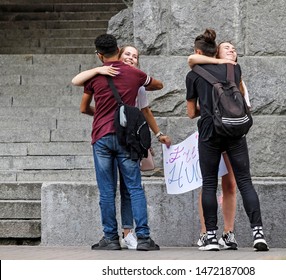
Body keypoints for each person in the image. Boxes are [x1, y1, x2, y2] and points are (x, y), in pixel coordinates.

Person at [72, 45, 172, 250]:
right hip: (126, 139)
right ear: (118, 51)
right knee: (135, 188)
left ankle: (110, 238)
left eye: (135, 56)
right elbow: (158, 86)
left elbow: (82, 105)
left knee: (107, 191)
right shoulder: (135, 76)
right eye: (128, 54)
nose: (131, 58)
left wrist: (102, 114)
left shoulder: (95, 77)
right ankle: (143, 237)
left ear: (99, 55)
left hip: (102, 137)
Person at [185, 29, 269, 252]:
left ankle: (210, 237)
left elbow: (191, 112)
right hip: (234, 131)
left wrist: (208, 105)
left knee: (210, 184)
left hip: (210, 133)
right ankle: (258, 233)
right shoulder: (234, 68)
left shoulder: (193, 74)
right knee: (245, 182)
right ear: (216, 51)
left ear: (199, 51)